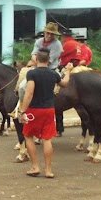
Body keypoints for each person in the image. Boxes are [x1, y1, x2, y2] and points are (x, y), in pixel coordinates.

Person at [19, 47, 73, 178]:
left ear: (36, 58)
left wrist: (22, 111)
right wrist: (69, 71)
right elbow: (64, 83)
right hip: (49, 110)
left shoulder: (32, 74)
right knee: (47, 139)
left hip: (34, 110)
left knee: (28, 136)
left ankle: (35, 166)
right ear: (49, 60)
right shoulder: (53, 74)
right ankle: (48, 170)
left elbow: (29, 93)